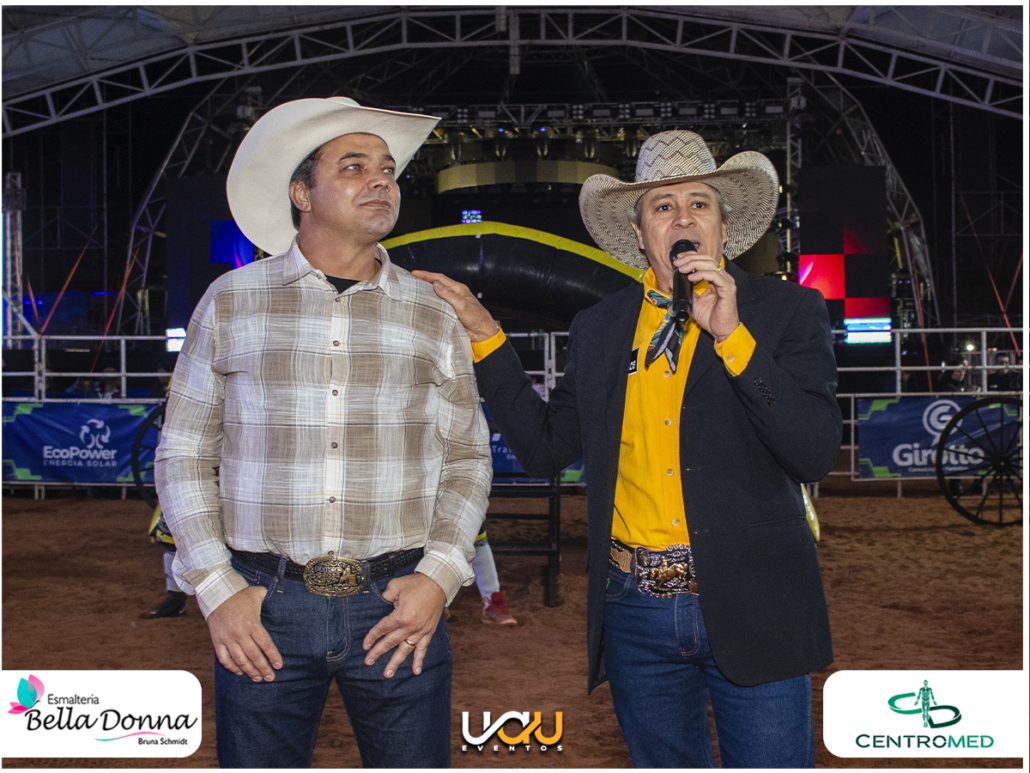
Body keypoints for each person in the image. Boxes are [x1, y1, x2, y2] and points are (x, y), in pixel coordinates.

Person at [416, 130, 842, 768]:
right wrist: (486, 337)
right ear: (641, 235)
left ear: (724, 228)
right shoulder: (601, 327)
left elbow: (813, 452)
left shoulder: (787, 310)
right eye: (663, 206)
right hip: (635, 613)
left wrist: (734, 340)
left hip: (756, 600)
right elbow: (544, 447)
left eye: (699, 203)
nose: (683, 219)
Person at [155, 97, 492, 768]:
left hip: (399, 604)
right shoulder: (232, 301)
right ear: (301, 192)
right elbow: (183, 452)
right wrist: (217, 590)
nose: (381, 180)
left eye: (388, 169)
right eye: (354, 166)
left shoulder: (431, 312)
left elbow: (466, 456)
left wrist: (440, 575)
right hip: (262, 607)